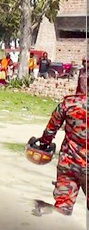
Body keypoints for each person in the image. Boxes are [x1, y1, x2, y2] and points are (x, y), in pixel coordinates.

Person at [33, 69, 87, 216]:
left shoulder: (69, 103)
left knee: (62, 208)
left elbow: (51, 129)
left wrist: (44, 143)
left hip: (69, 164)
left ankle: (54, 222)